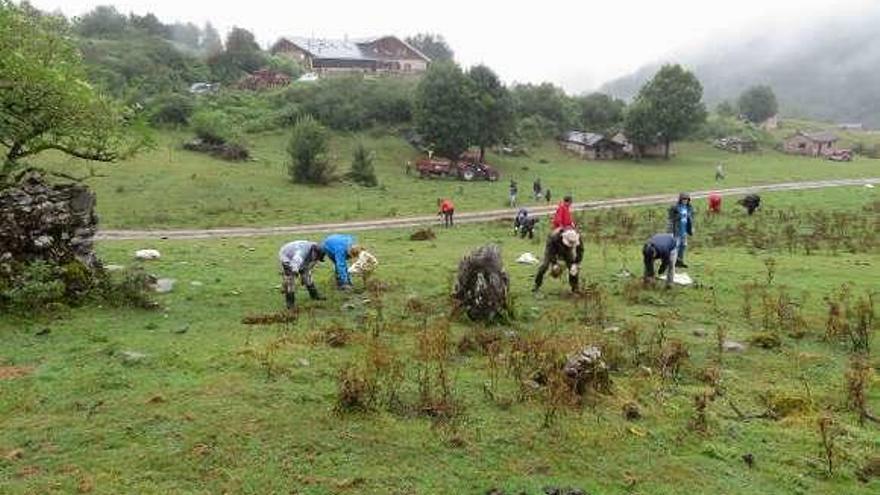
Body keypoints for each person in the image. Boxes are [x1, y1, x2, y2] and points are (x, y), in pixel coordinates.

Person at [278, 240, 326, 309]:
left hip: (299, 254)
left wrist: (305, 276)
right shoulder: (301, 254)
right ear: (314, 253)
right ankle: (290, 302)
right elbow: (294, 266)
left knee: (307, 275)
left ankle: (314, 295)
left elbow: (311, 264)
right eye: (316, 258)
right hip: (286, 255)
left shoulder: (316, 248)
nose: (316, 260)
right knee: (290, 280)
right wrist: (296, 274)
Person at [533, 228, 583, 293]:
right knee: (544, 266)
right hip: (552, 249)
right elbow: (550, 252)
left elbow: (580, 251)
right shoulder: (554, 238)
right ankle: (537, 285)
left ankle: (575, 287)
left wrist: (576, 263)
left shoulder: (576, 238)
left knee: (573, 268)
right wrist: (554, 263)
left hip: (567, 251)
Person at [667, 192, 694, 268]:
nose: (685, 201)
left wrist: (691, 228)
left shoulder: (689, 208)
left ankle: (679, 261)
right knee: (676, 247)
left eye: (687, 199)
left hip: (684, 230)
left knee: (683, 246)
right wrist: (670, 231)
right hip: (676, 230)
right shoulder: (675, 207)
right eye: (684, 199)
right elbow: (670, 220)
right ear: (680, 199)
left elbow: (690, 219)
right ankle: (672, 262)